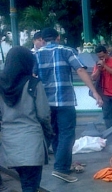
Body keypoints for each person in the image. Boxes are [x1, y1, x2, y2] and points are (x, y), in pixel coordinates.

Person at [34, 27, 103, 183]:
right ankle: (61, 168)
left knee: (55, 134)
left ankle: (62, 165)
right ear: (58, 38)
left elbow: (32, 76)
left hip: (45, 103)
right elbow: (80, 70)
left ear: (43, 40)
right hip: (65, 100)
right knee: (67, 134)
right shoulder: (67, 51)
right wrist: (94, 92)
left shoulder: (36, 55)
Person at [0, 46, 53, 192]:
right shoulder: (33, 84)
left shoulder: (1, 85)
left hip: (9, 140)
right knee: (30, 184)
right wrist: (49, 133)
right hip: (30, 138)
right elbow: (43, 114)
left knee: (26, 181)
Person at [91, 45, 112, 129]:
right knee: (107, 115)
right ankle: (110, 132)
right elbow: (93, 77)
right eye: (99, 57)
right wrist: (99, 69)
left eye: (103, 56)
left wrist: (105, 66)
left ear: (107, 53)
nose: (101, 58)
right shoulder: (98, 63)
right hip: (104, 93)